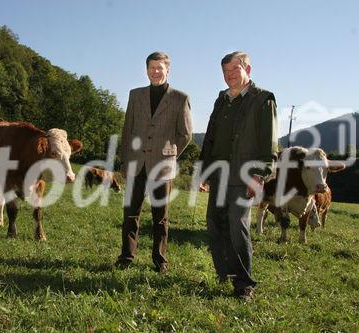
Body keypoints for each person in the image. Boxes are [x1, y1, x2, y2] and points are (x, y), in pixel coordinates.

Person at [200, 51, 278, 300]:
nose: (229, 75)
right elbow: (210, 137)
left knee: (237, 226)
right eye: (225, 71)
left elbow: (269, 143)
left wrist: (260, 174)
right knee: (215, 224)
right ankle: (225, 274)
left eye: (234, 70)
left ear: (248, 70)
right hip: (219, 174)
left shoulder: (263, 99)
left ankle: (244, 284)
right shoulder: (222, 99)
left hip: (244, 175)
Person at [116, 51, 193, 273]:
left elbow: (185, 134)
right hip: (135, 163)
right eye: (152, 68)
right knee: (130, 214)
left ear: (168, 70)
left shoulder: (180, 98)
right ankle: (126, 257)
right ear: (146, 70)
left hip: (162, 165)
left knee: (160, 217)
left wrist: (170, 153)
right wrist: (124, 160)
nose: (156, 71)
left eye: (160, 68)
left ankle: (160, 261)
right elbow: (127, 130)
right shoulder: (135, 95)